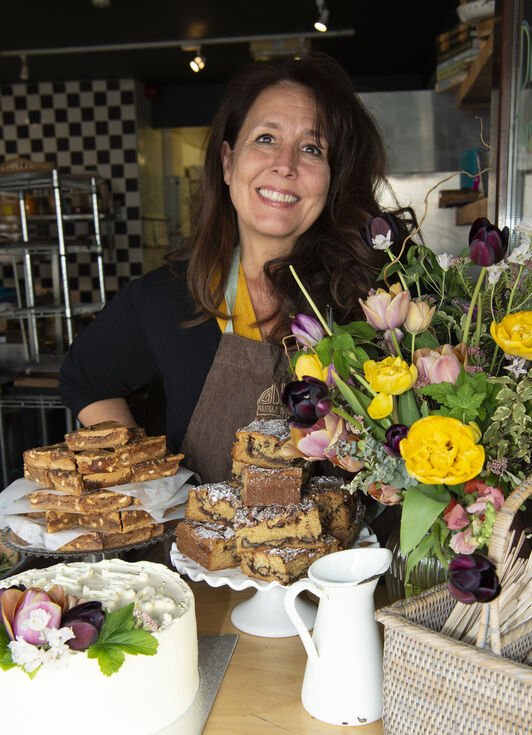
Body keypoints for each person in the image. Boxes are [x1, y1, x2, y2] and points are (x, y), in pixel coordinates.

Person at [59, 52, 414, 483]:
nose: (285, 164)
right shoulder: (169, 296)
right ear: (228, 162)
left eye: (311, 148)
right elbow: (85, 379)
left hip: (346, 551)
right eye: (266, 138)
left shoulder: (378, 303)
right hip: (196, 548)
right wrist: (151, 483)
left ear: (333, 177)